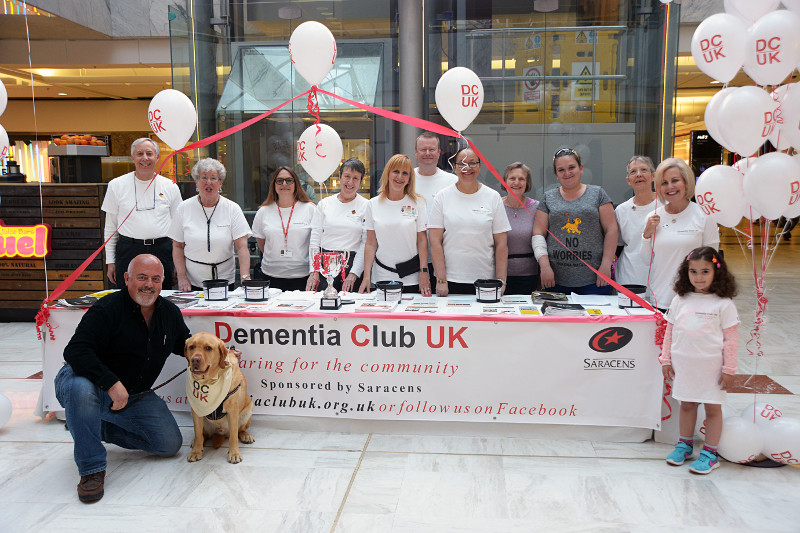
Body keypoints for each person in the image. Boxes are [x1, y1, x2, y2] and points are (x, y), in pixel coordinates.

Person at [54, 254, 190, 503]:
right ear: (126, 279)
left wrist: (218, 352)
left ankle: (85, 425)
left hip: (134, 394)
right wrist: (111, 383)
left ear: (162, 283)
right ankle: (91, 470)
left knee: (169, 444)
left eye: (155, 279)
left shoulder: (169, 313)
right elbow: (75, 351)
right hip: (88, 381)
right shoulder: (106, 309)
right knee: (80, 390)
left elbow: (185, 344)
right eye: (142, 277)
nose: (148, 284)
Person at [661, 246, 739, 474]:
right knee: (686, 405)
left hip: (712, 368)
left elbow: (731, 340)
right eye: (693, 272)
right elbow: (670, 330)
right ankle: (684, 445)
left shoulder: (724, 304)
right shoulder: (680, 299)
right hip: (685, 365)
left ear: (717, 272)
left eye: (705, 271)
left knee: (713, 409)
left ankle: (710, 453)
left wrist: (729, 369)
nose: (699, 277)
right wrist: (665, 359)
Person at [533, 147, 618, 295]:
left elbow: (611, 230)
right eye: (561, 170)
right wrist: (545, 266)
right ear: (556, 175)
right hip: (555, 279)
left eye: (571, 167)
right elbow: (538, 233)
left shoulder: (598, 194)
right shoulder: (548, 197)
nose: (567, 173)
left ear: (581, 168)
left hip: (594, 278)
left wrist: (605, 265)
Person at [102, 138, 182, 289]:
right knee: (127, 301)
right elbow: (110, 228)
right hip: (128, 250)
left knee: (161, 300)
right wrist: (111, 262)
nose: (145, 158)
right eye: (140, 153)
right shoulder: (116, 186)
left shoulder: (170, 186)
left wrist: (179, 264)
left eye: (149, 153)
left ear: (157, 157)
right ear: (133, 157)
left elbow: (179, 229)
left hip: (162, 251)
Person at [429, 147, 510, 296]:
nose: (467, 168)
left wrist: (501, 280)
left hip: (486, 281)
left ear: (480, 166)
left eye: (473, 163)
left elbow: (502, 243)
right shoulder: (442, 197)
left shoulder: (493, 197)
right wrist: (441, 280)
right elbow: (435, 241)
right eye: (462, 163)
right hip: (450, 281)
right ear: (454, 167)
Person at [641, 158, 720, 310]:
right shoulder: (653, 217)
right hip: (659, 300)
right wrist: (646, 235)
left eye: (675, 180)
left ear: (686, 182)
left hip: (693, 302)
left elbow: (713, 262)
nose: (670, 187)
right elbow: (646, 260)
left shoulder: (704, 216)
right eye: (664, 183)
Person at [168, 158, 252, 291]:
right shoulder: (183, 208)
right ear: (196, 181)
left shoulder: (232, 208)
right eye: (204, 178)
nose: (208, 182)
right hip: (193, 281)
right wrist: (182, 276)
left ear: (220, 182)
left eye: (214, 178)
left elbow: (242, 247)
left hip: (224, 279)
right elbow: (177, 246)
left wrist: (245, 276)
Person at [359, 154, 431, 295]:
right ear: (388, 174)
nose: (400, 177)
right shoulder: (372, 204)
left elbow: (422, 240)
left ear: (410, 178)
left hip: (412, 278)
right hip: (382, 277)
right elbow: (370, 243)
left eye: (405, 173)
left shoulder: (418, 203)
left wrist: (424, 272)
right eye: (396, 171)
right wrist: (366, 276)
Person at [306, 158, 368, 293]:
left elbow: (366, 244)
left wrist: (354, 273)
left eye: (356, 178)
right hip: (324, 266)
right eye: (347, 176)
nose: (350, 182)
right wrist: (314, 271)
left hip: (352, 266)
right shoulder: (324, 204)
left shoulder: (366, 206)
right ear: (340, 176)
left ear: (361, 181)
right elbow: (315, 240)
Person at [251, 166, 317, 291]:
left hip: (302, 276)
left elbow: (316, 241)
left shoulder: (310, 209)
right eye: (279, 181)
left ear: (296, 183)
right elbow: (261, 242)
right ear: (274, 185)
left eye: (289, 180)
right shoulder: (263, 211)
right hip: (271, 276)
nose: (284, 184)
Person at [414, 131, 457, 284]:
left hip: (446, 259)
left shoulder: (453, 181)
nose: (427, 153)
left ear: (439, 153)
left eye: (432, 150)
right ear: (416, 152)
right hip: (413, 260)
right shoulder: (405, 180)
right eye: (423, 149)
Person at [615, 155, 657, 285]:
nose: (638, 175)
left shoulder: (667, 206)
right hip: (628, 279)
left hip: (659, 279)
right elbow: (618, 246)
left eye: (644, 170)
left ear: (653, 176)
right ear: (628, 180)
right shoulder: (621, 211)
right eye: (633, 172)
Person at [502, 162, 540, 294]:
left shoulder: (537, 208)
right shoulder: (495, 206)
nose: (516, 182)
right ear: (505, 181)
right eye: (512, 178)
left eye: (521, 179)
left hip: (529, 276)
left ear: (527, 183)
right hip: (500, 275)